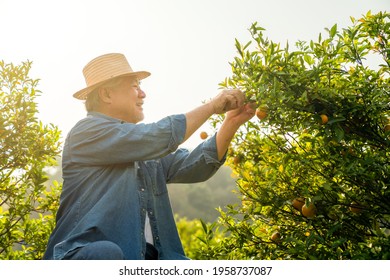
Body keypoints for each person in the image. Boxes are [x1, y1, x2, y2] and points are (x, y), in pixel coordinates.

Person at [43, 53, 255, 260]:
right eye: (135, 86)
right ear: (106, 94)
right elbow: (158, 136)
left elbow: (195, 166)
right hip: (90, 258)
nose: (143, 94)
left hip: (145, 259)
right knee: (106, 252)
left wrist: (231, 122)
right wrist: (211, 106)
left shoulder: (142, 148)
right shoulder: (86, 133)